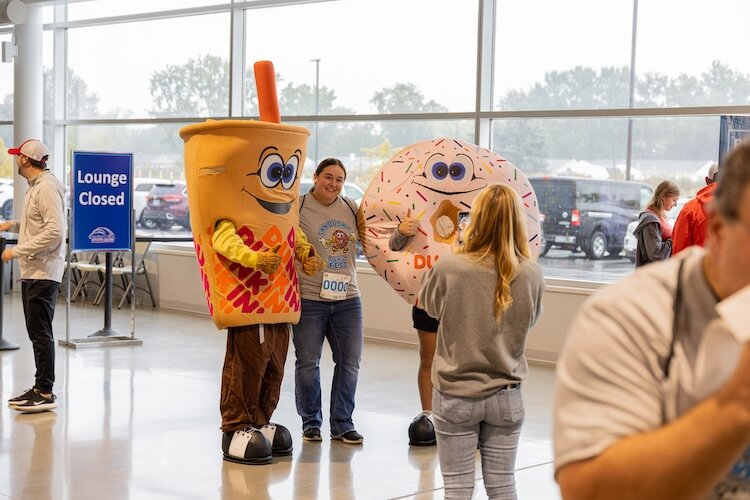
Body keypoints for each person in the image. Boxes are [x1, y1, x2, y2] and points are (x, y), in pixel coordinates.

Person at [553, 141, 750, 499]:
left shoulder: (679, 213)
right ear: (720, 229)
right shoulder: (626, 317)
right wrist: (737, 404)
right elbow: (588, 488)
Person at [419, 184, 545, 499]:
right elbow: (531, 320)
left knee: (458, 488)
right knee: (503, 486)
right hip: (507, 395)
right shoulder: (531, 273)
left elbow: (431, 310)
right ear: (518, 222)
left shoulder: (451, 267)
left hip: (456, 394)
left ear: (476, 219)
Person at [294, 158, 365, 445]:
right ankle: (311, 423)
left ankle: (342, 424)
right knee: (308, 362)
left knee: (350, 363)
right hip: (310, 297)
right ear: (315, 177)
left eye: (338, 179)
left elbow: (374, 239)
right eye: (328, 177)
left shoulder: (350, 206)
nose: (333, 183)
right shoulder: (298, 206)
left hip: (348, 298)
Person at [3, 139, 65, 413]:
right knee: (36, 331)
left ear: (26, 160)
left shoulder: (47, 187)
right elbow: (38, 224)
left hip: (43, 271)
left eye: (18, 156)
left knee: (41, 333)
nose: (16, 160)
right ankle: (40, 386)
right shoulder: (37, 187)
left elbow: (55, 231)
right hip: (34, 271)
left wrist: (16, 251)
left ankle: (45, 391)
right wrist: (14, 225)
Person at [389, 210, 439, 446]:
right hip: (426, 296)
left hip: (462, 297)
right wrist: (401, 231)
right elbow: (392, 246)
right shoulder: (415, 209)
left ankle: (464, 416)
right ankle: (428, 415)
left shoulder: (470, 209)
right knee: (428, 358)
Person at [672, 162, 718, 255]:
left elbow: (679, 251)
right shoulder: (742, 207)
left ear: (707, 180)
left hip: (700, 268)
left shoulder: (690, 209)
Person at [633, 180, 680, 267]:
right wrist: (674, 238)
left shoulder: (660, 217)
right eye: (674, 200)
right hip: (652, 274)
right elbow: (656, 253)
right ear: (663, 196)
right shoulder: (651, 220)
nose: (676, 204)